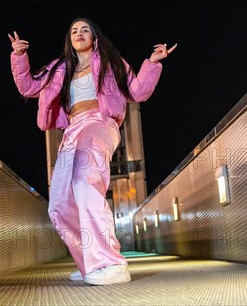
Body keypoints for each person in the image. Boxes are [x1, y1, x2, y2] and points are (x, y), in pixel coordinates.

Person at [9, 18, 176, 285]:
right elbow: (28, 87)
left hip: (100, 123)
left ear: (94, 37)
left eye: (85, 29)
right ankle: (91, 264)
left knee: (85, 180)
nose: (79, 33)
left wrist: (153, 63)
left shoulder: (110, 63)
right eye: (74, 30)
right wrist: (19, 56)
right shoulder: (60, 68)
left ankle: (111, 262)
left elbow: (137, 91)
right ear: (69, 39)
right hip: (73, 130)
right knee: (59, 206)